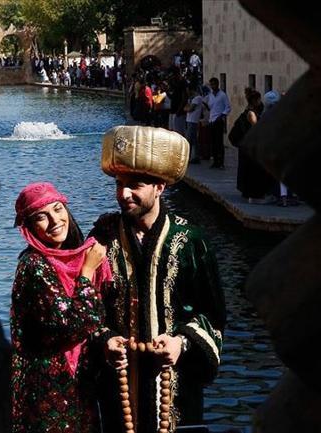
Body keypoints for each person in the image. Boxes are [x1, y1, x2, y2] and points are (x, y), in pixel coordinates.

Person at [90, 126, 226, 433]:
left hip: (175, 385)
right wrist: (104, 338)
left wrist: (182, 343)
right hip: (118, 383)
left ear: (160, 187)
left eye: (134, 184)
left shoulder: (190, 241)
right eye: (119, 184)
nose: (123, 194)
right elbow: (87, 305)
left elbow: (214, 315)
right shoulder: (102, 237)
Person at [10, 182, 113, 433]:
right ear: (29, 227)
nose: (55, 221)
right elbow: (73, 323)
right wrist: (87, 273)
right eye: (41, 217)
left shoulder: (73, 256)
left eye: (58, 209)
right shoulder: (35, 266)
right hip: (47, 388)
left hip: (79, 381)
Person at [234, 88, 278, 204]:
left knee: (249, 171)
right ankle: (256, 197)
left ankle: (249, 194)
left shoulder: (248, 111)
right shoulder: (251, 113)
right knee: (256, 172)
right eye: (259, 100)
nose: (260, 103)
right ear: (255, 100)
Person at [205, 77, 231, 169]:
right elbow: (210, 107)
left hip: (218, 121)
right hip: (212, 120)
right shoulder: (210, 95)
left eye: (214, 84)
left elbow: (228, 107)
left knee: (219, 142)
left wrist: (221, 116)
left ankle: (221, 162)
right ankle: (215, 161)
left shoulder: (223, 95)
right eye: (211, 85)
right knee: (213, 142)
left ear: (218, 84)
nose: (213, 86)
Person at [184, 84, 204, 164]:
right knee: (194, 139)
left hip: (193, 121)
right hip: (189, 120)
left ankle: (190, 157)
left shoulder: (197, 98)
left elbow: (190, 109)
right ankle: (196, 156)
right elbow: (186, 107)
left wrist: (187, 108)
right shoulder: (191, 99)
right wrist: (187, 108)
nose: (187, 92)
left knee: (189, 139)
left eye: (187, 90)